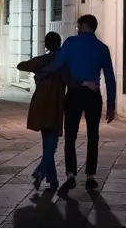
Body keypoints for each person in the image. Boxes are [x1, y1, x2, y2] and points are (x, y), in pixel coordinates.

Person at [48, 14, 116, 196]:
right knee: (93, 135)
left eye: (79, 26)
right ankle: (90, 176)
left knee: (70, 135)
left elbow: (57, 64)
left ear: (83, 26)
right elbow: (109, 77)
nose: (77, 29)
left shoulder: (70, 43)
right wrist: (111, 104)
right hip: (94, 95)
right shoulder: (102, 48)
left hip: (75, 94)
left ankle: (71, 174)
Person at [17, 32, 66, 192]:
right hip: (55, 105)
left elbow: (21, 65)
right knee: (51, 145)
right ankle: (41, 170)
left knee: (47, 143)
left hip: (40, 104)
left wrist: (38, 69)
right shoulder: (63, 62)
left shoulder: (42, 61)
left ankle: (52, 179)